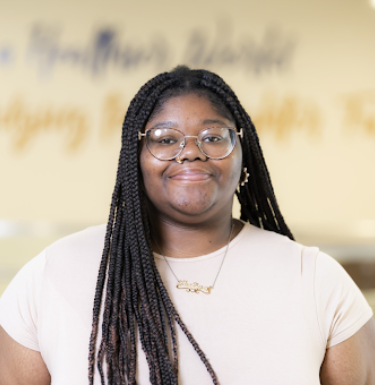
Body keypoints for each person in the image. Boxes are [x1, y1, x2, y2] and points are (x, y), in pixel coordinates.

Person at [0, 66, 374, 385]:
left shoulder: (317, 279)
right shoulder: (53, 274)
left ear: (245, 159)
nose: (192, 151)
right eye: (165, 139)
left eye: (214, 137)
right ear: (135, 162)